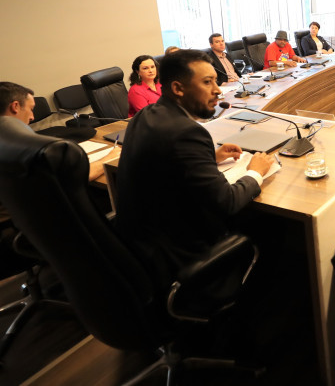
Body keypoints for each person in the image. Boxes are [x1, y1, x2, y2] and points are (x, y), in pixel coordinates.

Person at [115, 50, 274, 288]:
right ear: (178, 89)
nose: (218, 90)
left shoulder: (147, 115)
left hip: (140, 249)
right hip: (181, 257)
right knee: (271, 227)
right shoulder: (187, 133)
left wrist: (210, 156)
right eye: (207, 82)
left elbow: (167, 163)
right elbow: (227, 202)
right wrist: (256, 172)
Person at [0, 82, 120, 262]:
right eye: (30, 109)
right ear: (14, 107)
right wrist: (110, 156)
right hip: (32, 228)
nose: (32, 117)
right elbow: (71, 179)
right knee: (117, 197)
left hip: (13, 223)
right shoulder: (16, 145)